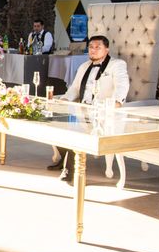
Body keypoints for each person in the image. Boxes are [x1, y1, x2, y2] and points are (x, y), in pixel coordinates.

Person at [49, 35, 129, 182]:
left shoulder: (117, 65)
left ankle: (70, 170)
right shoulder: (84, 66)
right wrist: (65, 100)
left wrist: (116, 103)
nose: (93, 50)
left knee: (75, 131)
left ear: (106, 50)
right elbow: (74, 89)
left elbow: (122, 86)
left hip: (101, 112)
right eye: (91, 47)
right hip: (81, 110)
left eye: (97, 47)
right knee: (54, 123)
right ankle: (65, 158)